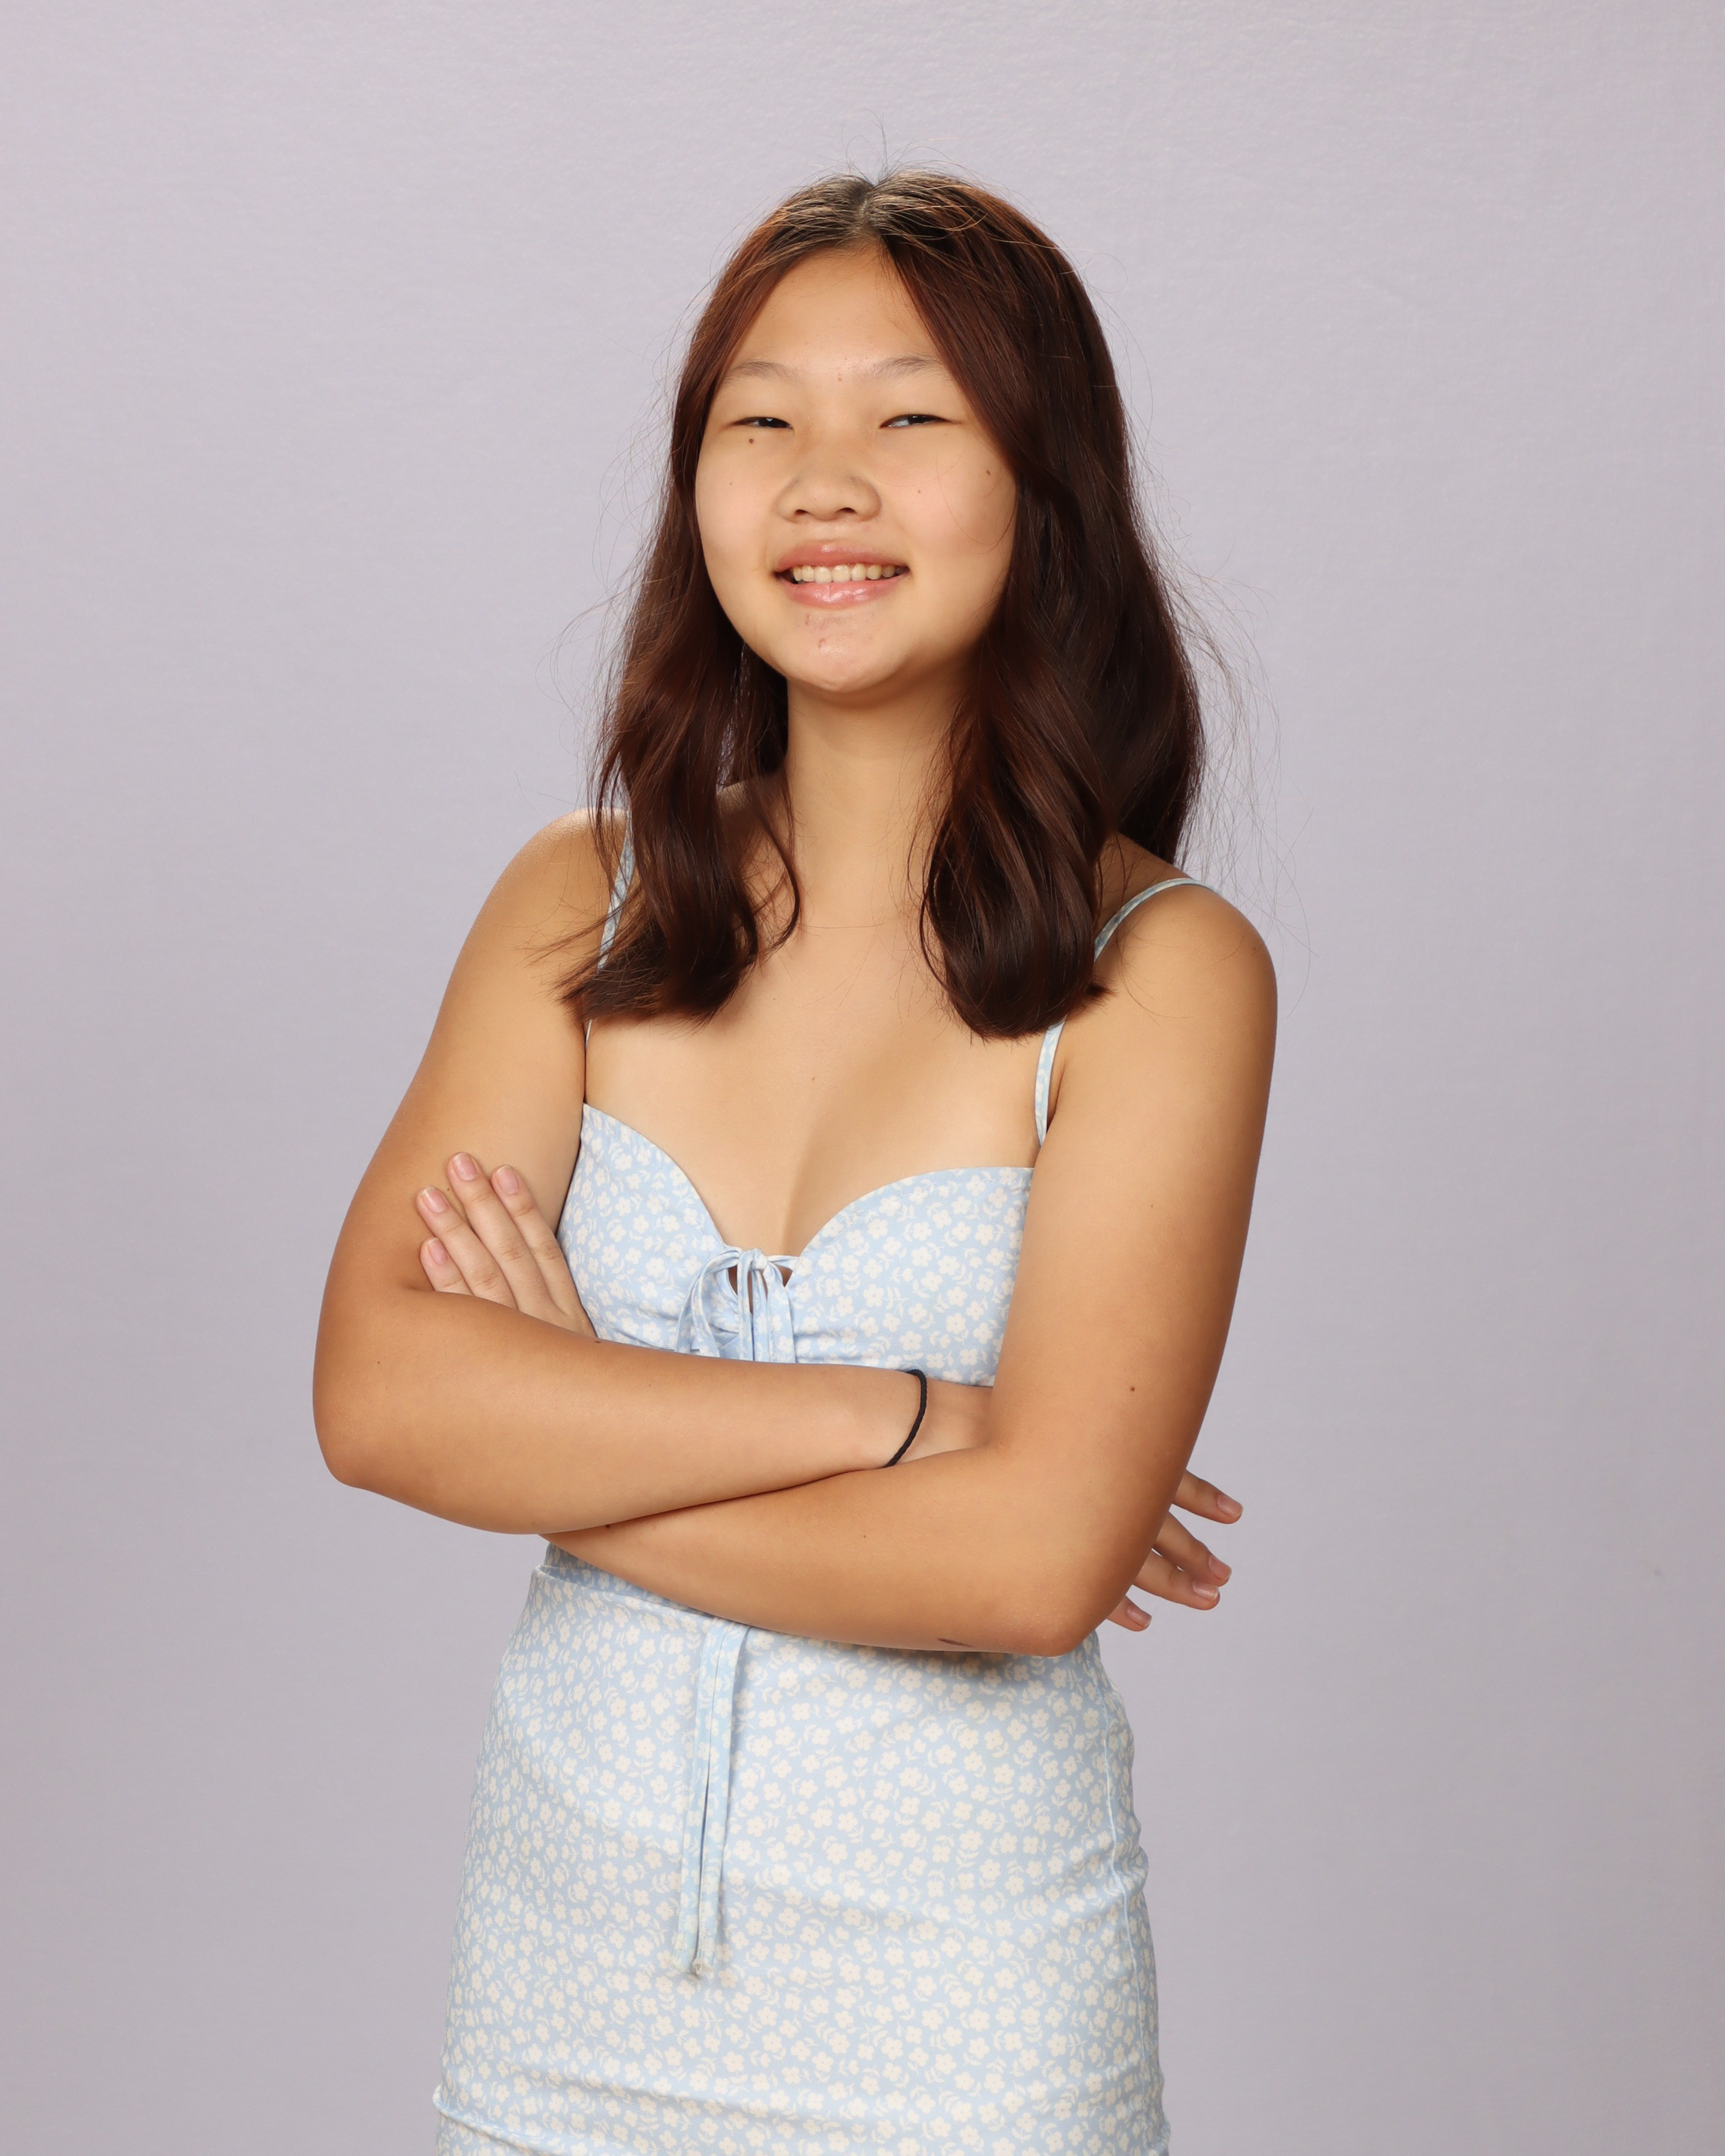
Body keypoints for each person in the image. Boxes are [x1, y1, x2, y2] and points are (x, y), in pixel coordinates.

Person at [314, 169, 1276, 2156]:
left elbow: (1028, 1571)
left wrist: (566, 1439)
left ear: (1044, 488)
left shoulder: (1162, 970)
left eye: (909, 415)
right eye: (761, 419)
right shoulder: (575, 906)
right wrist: (910, 1419)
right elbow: (377, 1398)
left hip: (972, 2030)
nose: (823, 482)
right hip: (558, 2007)